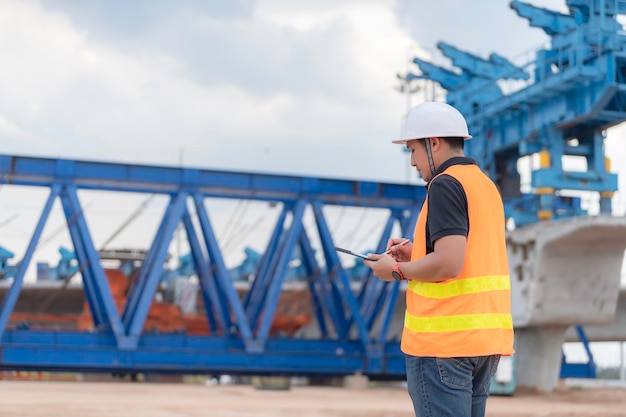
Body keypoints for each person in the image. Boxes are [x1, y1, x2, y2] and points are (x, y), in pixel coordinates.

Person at [364, 101, 514, 417]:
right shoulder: (483, 185)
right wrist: (417, 252)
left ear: (434, 143)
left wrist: (395, 270)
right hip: (482, 343)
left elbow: (449, 263)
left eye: (413, 151)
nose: (413, 162)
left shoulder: (444, 184)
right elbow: (468, 254)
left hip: (444, 345)